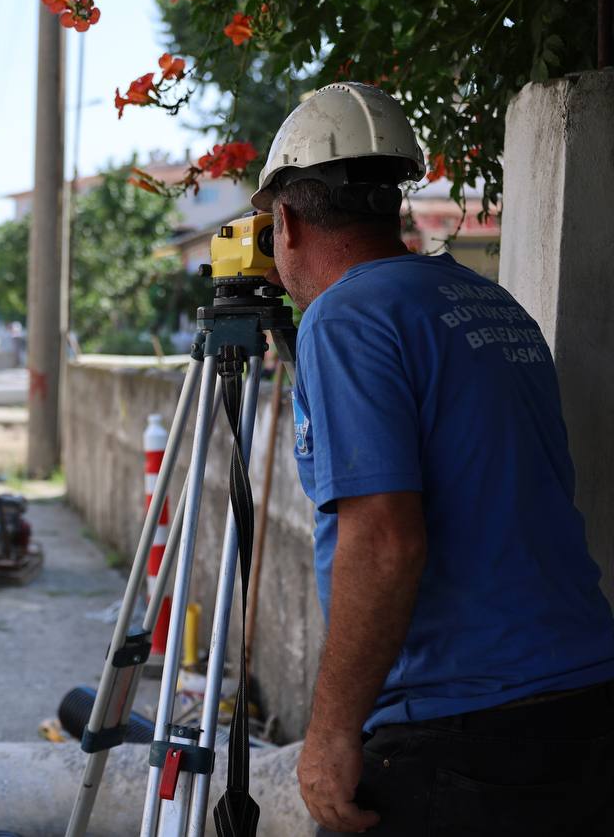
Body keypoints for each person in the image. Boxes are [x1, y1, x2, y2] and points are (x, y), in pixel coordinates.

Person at [251, 82, 614, 836]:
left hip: (460, 731)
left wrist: (328, 735)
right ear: (393, 201)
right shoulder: (487, 301)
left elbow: (384, 540)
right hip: (586, 705)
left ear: (283, 221)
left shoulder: (344, 317)